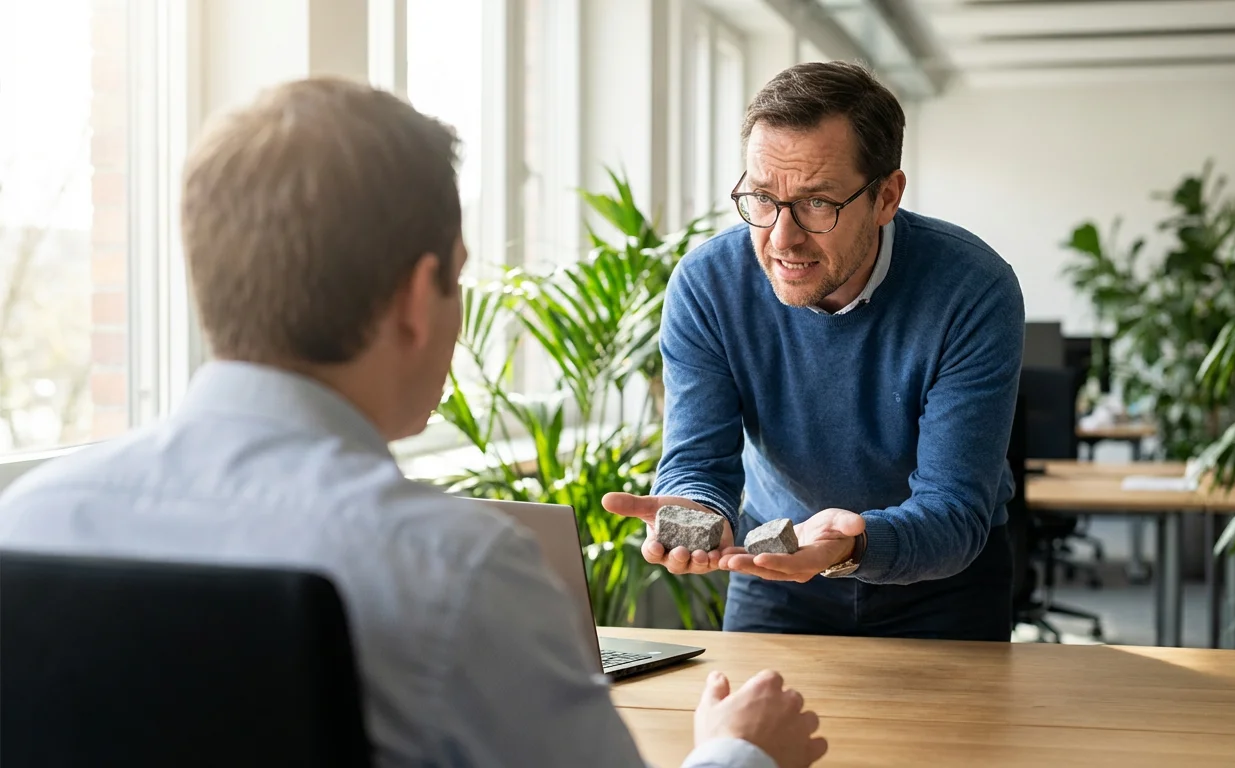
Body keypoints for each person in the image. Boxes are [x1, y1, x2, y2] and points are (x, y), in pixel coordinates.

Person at [0, 78, 827, 768]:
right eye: (459, 279)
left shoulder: (31, 523)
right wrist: (738, 751)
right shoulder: (455, 571)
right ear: (413, 298)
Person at [603, 62, 1024, 640]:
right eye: (762, 197)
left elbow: (954, 508)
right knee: (746, 731)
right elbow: (698, 460)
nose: (781, 238)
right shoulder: (709, 285)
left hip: (941, 582)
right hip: (771, 566)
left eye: (817, 203)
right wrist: (695, 510)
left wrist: (850, 543)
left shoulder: (971, 289)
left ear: (886, 197)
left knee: (956, 735)